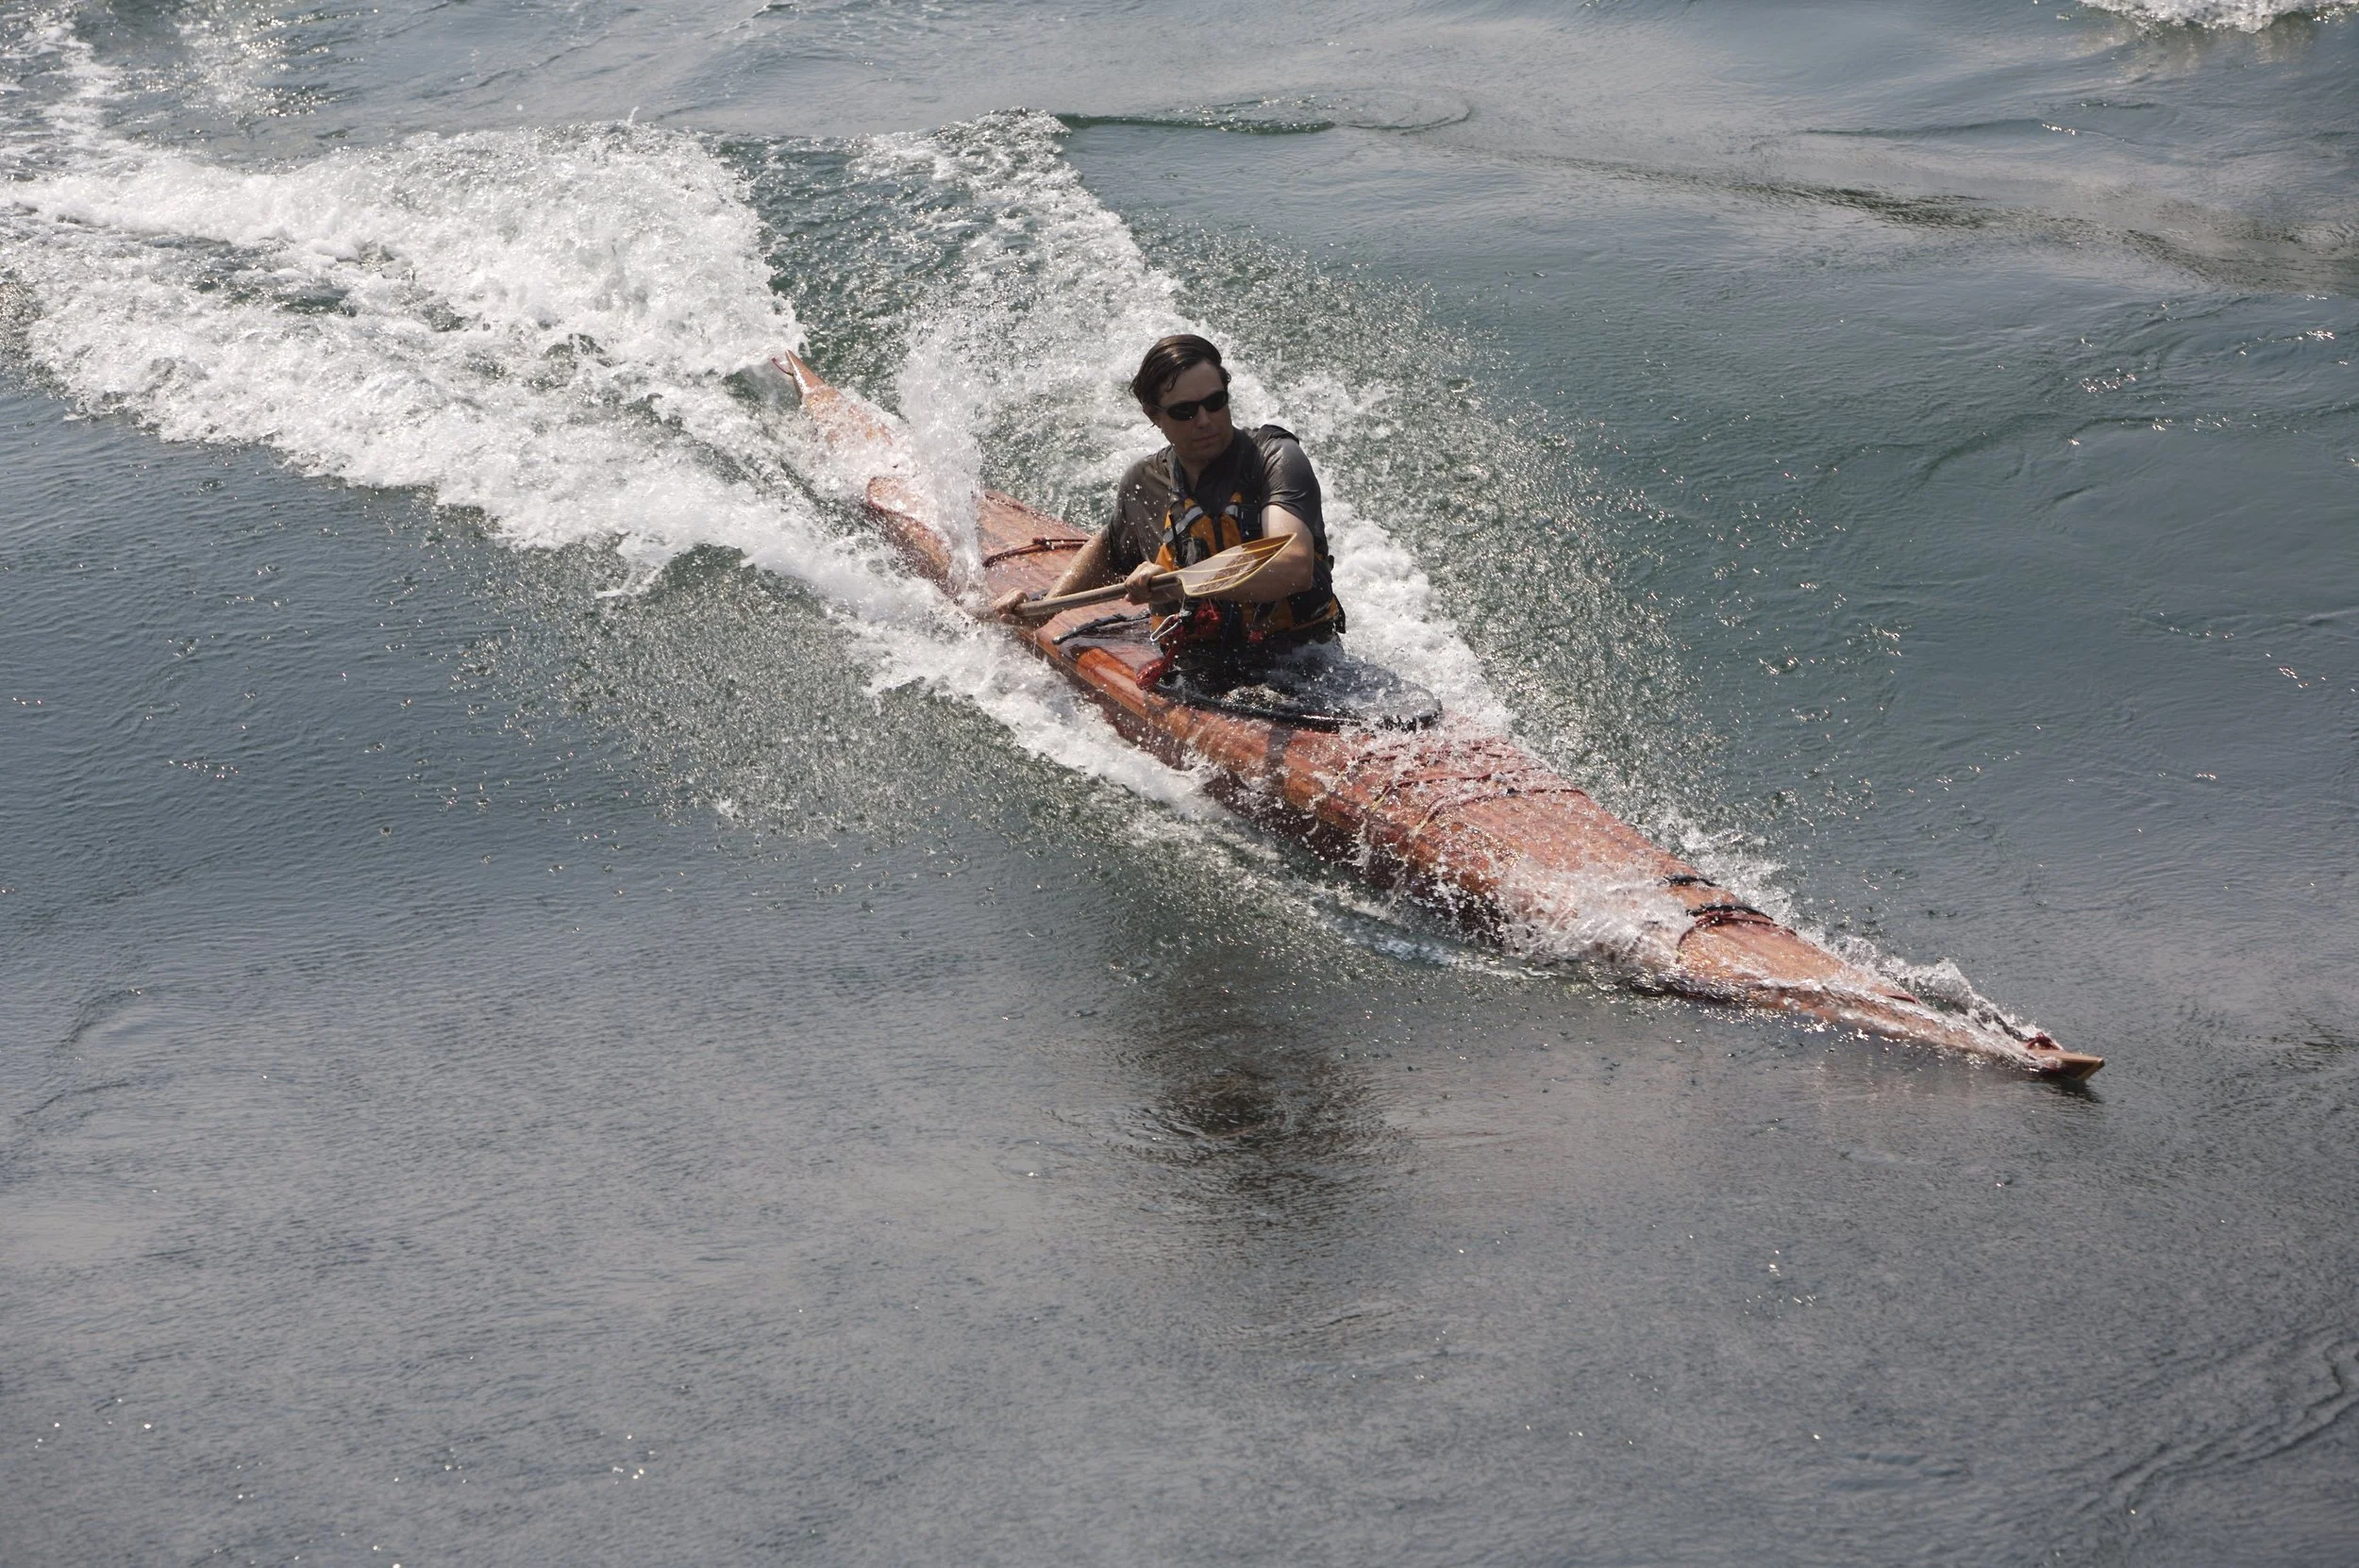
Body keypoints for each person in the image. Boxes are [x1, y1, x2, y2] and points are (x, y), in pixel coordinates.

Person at [995, 334, 1345, 682]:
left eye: (1215, 402)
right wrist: (1044, 609)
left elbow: (1292, 566)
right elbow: (1112, 550)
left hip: (1301, 659)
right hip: (1196, 663)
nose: (1205, 420)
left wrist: (1180, 584)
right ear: (1154, 415)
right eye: (1185, 411)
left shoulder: (1275, 458)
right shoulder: (1145, 483)